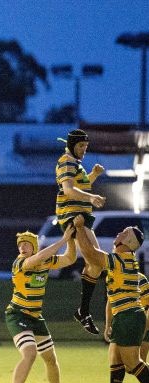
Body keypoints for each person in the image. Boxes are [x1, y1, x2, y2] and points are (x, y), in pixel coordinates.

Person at [73, 217, 149, 383]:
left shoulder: (121, 260)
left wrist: (80, 228)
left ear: (129, 242)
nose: (119, 234)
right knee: (115, 358)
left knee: (133, 363)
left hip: (130, 315)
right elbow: (111, 298)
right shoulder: (120, 260)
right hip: (124, 315)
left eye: (124, 233)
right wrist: (109, 324)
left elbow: (90, 254)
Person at [4, 228, 77, 383]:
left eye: (27, 244)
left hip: (36, 316)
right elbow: (37, 259)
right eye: (20, 244)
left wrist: (71, 239)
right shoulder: (20, 263)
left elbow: (70, 258)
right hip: (17, 314)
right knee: (30, 353)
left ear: (34, 247)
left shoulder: (46, 261)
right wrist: (63, 239)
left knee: (51, 359)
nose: (22, 247)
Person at [54, 129, 106, 334]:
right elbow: (68, 190)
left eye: (86, 146)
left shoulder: (76, 164)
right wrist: (92, 198)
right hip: (72, 217)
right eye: (81, 146)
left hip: (80, 216)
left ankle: (83, 311)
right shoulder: (67, 161)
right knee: (97, 262)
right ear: (72, 145)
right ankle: (84, 311)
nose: (84, 149)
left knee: (96, 263)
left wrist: (93, 174)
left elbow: (80, 186)